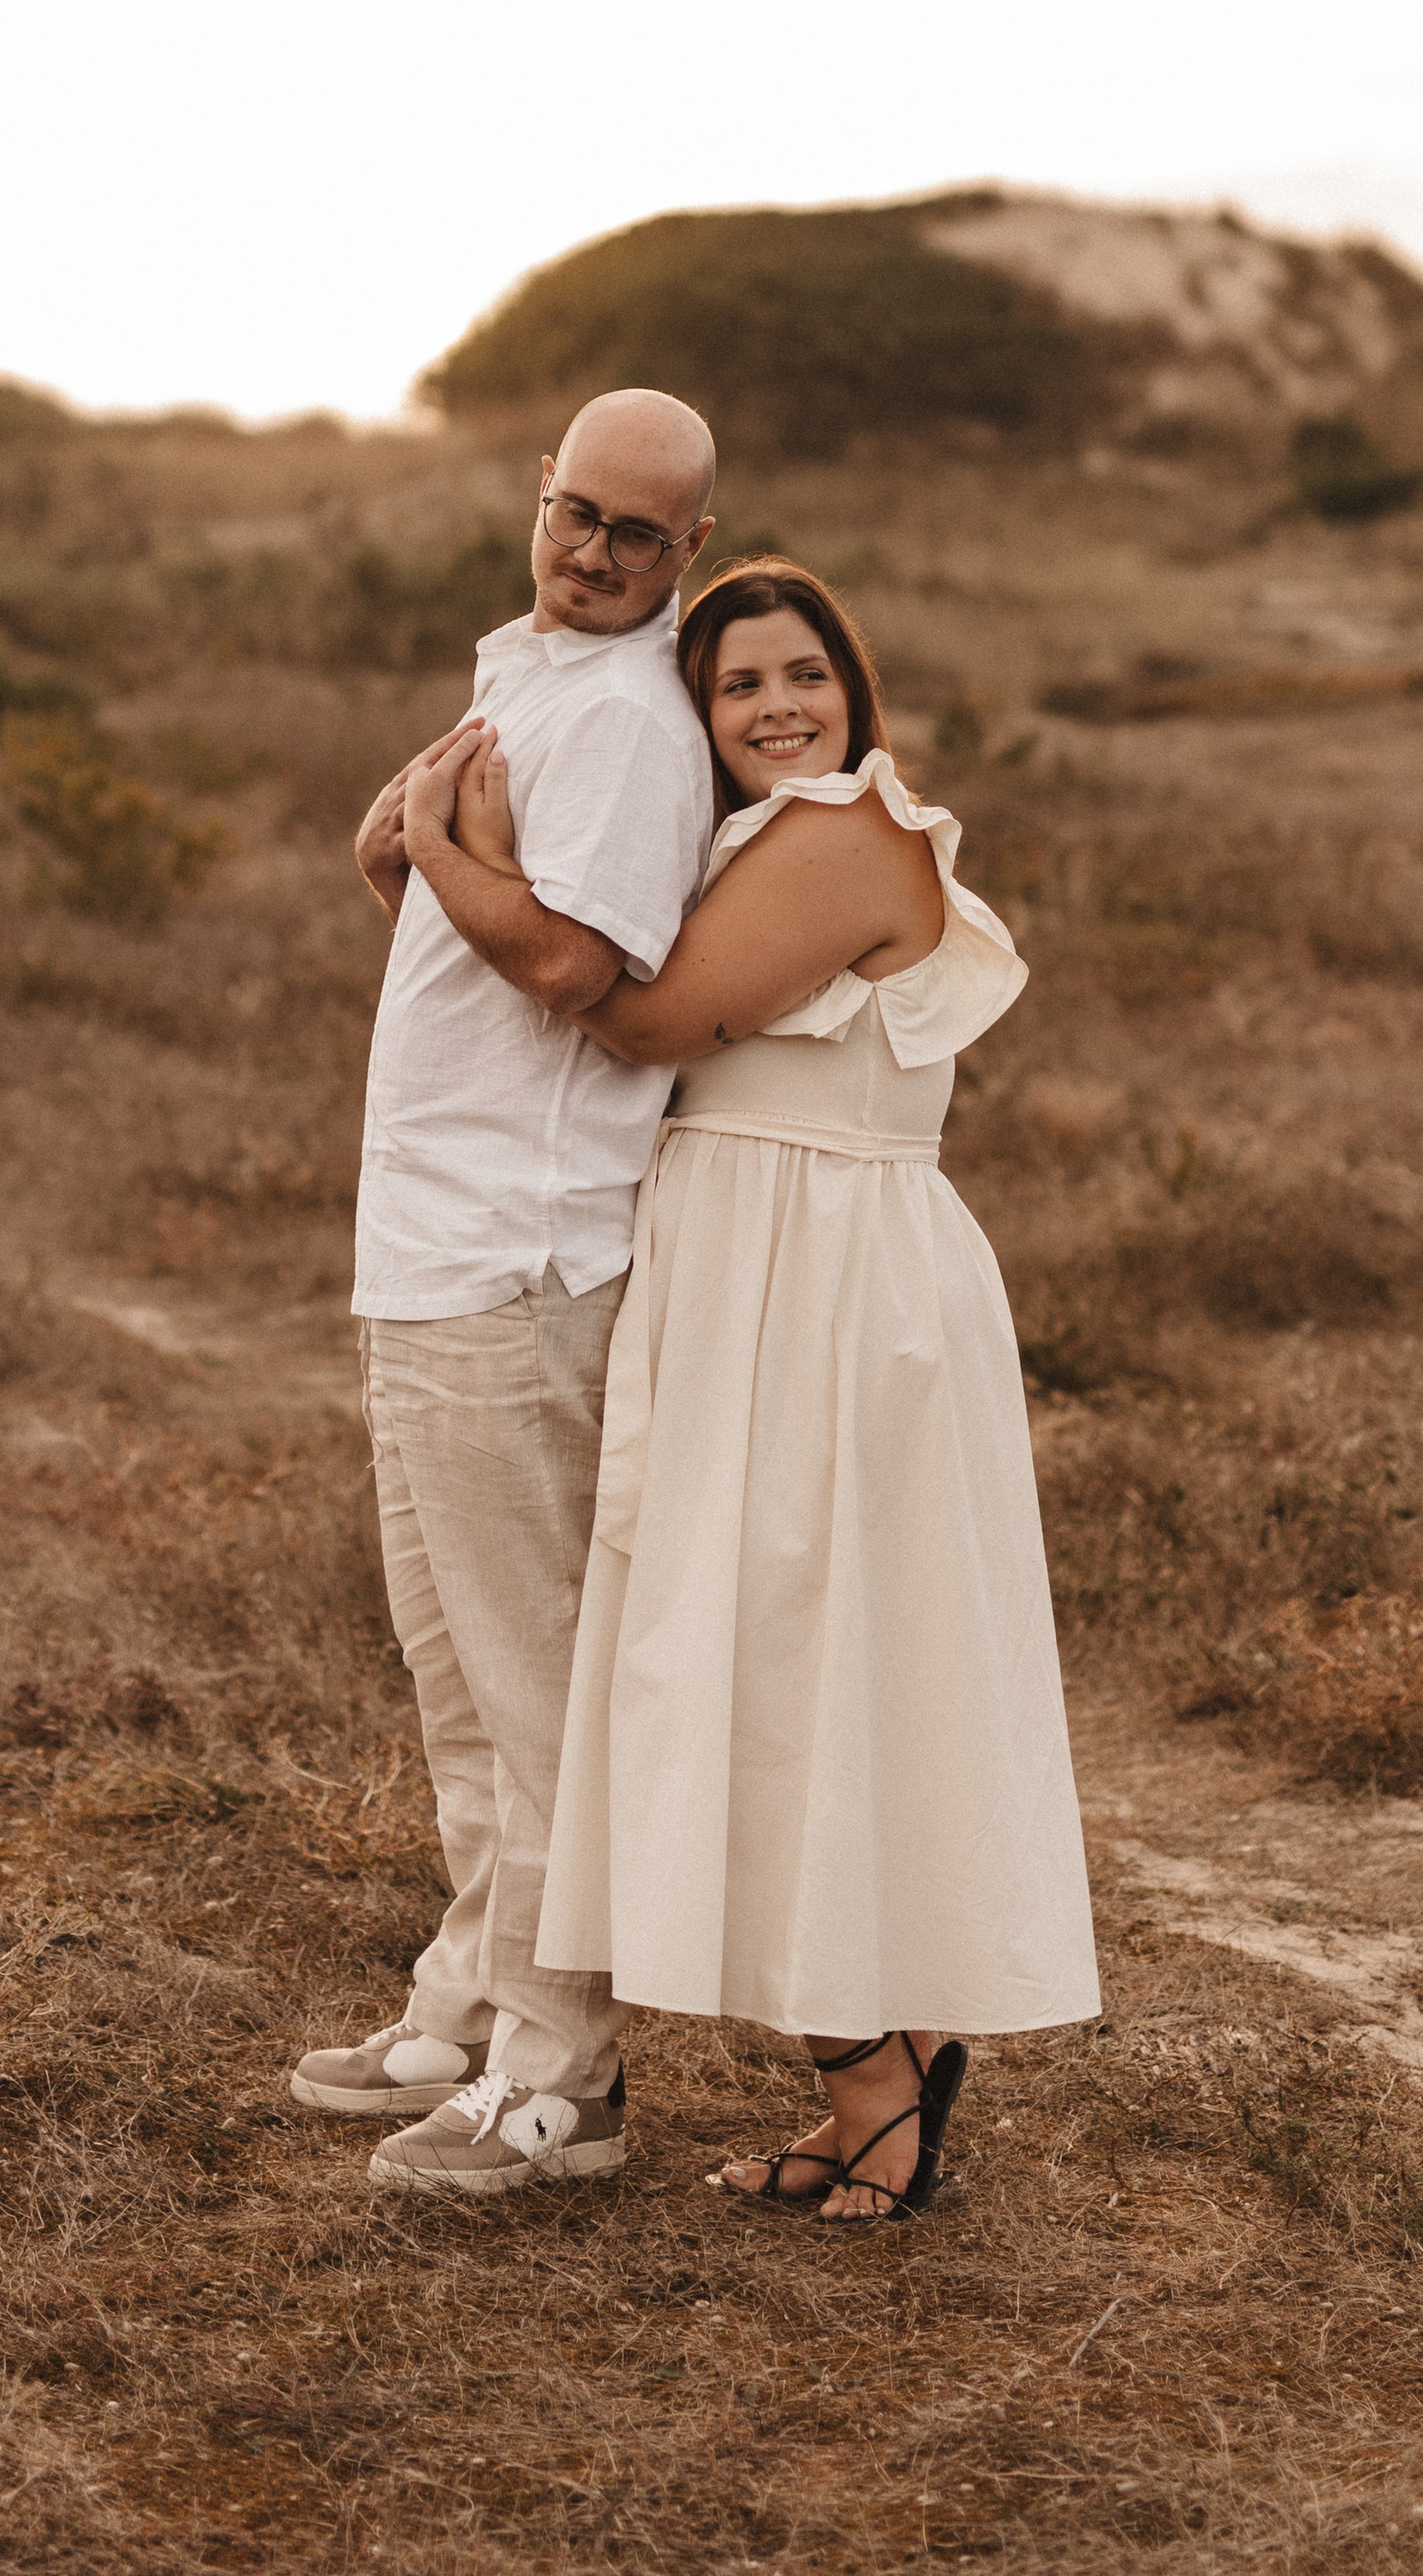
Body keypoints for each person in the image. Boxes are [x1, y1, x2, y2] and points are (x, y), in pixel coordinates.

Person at [419, 558, 1099, 2223]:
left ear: (853, 687)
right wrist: (473, 899)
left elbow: (635, 1018)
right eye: (738, 691)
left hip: (830, 1290)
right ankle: (883, 2068)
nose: (780, 707)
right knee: (779, 1671)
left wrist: (457, 863)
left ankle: (877, 2082)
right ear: (700, 721)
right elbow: (563, 1014)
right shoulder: (738, 848)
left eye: (807, 674)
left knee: (793, 1671)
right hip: (750, 1274)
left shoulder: (848, 834)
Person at [289, 388, 718, 2198]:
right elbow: (388, 864)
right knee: (452, 1669)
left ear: (687, 550)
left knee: (532, 1687)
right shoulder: (530, 667)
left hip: (516, 1253)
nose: (594, 551)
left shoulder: (626, 716)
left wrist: (443, 853)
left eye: (634, 532)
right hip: (428, 1238)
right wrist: (414, 843)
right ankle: (467, 1992)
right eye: (573, 511)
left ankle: (566, 2076)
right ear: (534, 498)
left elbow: (565, 959)